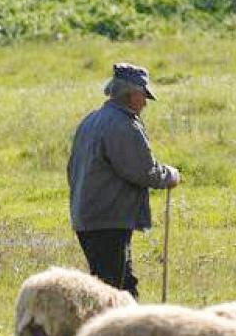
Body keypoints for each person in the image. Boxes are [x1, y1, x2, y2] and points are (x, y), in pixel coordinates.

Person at [66, 62, 180, 299]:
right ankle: (118, 334)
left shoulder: (92, 120)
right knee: (117, 293)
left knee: (113, 285)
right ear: (130, 94)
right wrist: (169, 175)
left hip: (88, 217)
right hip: (108, 220)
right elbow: (143, 170)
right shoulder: (123, 125)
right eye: (143, 95)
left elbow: (71, 169)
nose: (145, 103)